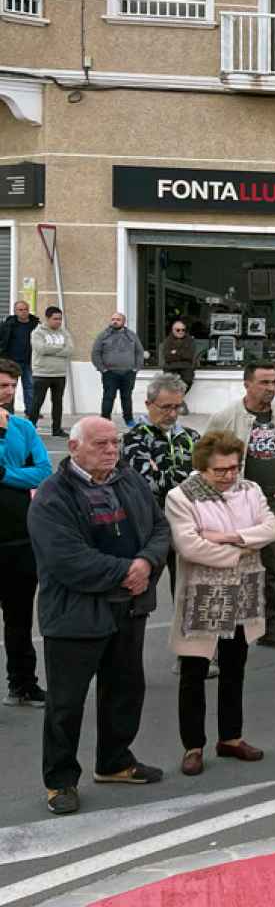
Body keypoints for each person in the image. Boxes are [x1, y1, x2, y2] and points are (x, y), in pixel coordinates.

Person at [33, 416, 171, 814]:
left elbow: (160, 528)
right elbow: (66, 559)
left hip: (128, 608)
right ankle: (59, 781)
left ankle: (115, 761)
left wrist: (145, 562)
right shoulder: (52, 496)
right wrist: (127, 573)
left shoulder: (128, 480)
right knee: (66, 702)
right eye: (100, 444)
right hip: (76, 615)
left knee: (126, 688)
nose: (111, 450)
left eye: (115, 443)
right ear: (74, 448)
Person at [165, 431, 275, 776]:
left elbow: (271, 528)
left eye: (235, 467)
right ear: (202, 468)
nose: (230, 475)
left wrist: (230, 538)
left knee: (235, 668)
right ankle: (193, 745)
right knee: (194, 672)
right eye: (221, 471)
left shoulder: (251, 489)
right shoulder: (180, 496)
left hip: (242, 588)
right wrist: (244, 548)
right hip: (203, 591)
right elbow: (190, 547)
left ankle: (230, 737)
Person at [205, 363, 275, 648]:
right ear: (247, 384)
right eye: (264, 382)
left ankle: (269, 628)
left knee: (270, 569)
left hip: (272, 501)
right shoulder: (226, 417)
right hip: (235, 504)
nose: (270, 388)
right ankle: (223, 634)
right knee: (230, 567)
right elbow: (204, 459)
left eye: (274, 382)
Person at [0, 360, 50, 709]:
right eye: (2, 384)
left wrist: (5, 473)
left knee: (19, 619)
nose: (8, 391)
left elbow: (43, 472)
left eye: (11, 385)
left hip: (19, 537)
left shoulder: (23, 426)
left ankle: (23, 684)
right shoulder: (9, 430)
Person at [121, 374, 199, 597]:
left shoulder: (192, 437)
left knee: (187, 595)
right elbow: (148, 484)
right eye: (166, 407)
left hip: (189, 525)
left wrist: (165, 473)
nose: (172, 414)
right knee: (140, 595)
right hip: (149, 527)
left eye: (177, 407)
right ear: (148, 404)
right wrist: (189, 475)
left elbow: (208, 481)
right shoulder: (133, 439)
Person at [92, 312, 145, 425]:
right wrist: (103, 369)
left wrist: (136, 368)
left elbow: (139, 352)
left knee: (126, 397)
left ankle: (129, 419)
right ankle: (105, 420)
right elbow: (95, 353)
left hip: (128, 373)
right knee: (108, 397)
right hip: (110, 373)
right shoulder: (103, 335)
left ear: (123, 322)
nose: (115, 321)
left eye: (118, 319)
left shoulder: (131, 335)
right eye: (113, 319)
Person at [29, 306, 71, 437]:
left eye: (60, 319)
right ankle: (30, 428)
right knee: (37, 402)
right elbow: (41, 349)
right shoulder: (38, 333)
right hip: (42, 373)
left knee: (58, 403)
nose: (58, 322)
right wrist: (60, 348)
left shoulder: (64, 332)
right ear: (47, 319)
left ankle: (57, 429)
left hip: (59, 374)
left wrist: (52, 349)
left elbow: (70, 350)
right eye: (55, 319)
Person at [0, 300, 39, 415]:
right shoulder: (7, 325)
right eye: (20, 310)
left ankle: (31, 412)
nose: (23, 312)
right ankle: (8, 412)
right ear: (15, 311)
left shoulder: (35, 325)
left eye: (25, 309)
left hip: (28, 362)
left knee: (30, 387)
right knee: (9, 388)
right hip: (11, 363)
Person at [158, 319, 197, 411]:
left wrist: (175, 353)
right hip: (170, 367)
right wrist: (181, 354)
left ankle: (176, 401)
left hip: (185, 366)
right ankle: (178, 402)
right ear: (173, 330)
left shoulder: (190, 341)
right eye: (178, 330)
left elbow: (189, 355)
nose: (181, 332)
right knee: (169, 384)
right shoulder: (167, 341)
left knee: (187, 380)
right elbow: (167, 357)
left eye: (183, 330)